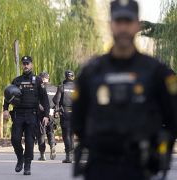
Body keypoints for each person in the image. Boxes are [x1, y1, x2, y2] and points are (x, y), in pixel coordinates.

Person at [72, 0, 177, 180]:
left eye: (127, 22)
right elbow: (78, 120)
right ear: (111, 25)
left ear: (137, 25)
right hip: (100, 166)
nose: (123, 28)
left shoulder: (156, 72)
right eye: (118, 22)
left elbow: (173, 117)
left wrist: (160, 152)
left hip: (139, 167)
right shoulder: (92, 72)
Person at [3, 56, 49, 175]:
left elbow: (45, 99)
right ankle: (20, 158)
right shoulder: (16, 80)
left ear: (32, 65)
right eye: (24, 64)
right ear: (22, 65)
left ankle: (27, 165)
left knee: (29, 141)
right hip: (18, 114)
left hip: (32, 115)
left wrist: (46, 115)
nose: (25, 65)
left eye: (27, 63)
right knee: (15, 139)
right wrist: (5, 109)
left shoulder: (38, 81)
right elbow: (8, 95)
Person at [53, 70, 75, 163]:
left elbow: (56, 100)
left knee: (66, 134)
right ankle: (72, 154)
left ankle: (68, 156)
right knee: (72, 134)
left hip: (65, 112)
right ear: (73, 77)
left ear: (65, 77)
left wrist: (57, 109)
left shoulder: (62, 87)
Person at [36, 72, 57, 161]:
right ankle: (52, 145)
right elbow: (58, 101)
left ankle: (42, 154)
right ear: (48, 78)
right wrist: (55, 110)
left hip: (41, 113)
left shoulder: (40, 88)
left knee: (41, 133)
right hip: (51, 113)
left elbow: (35, 100)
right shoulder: (55, 88)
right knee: (50, 131)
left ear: (41, 78)